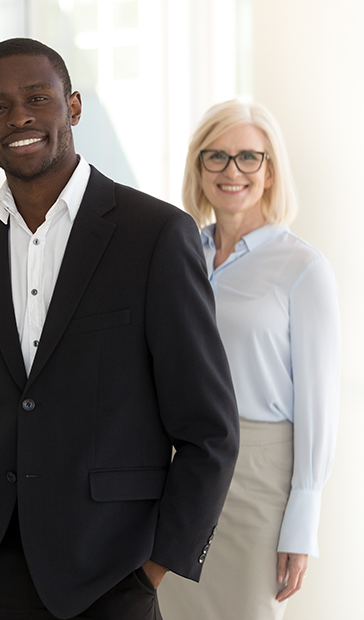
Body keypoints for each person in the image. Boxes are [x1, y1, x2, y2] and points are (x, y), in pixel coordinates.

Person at [0, 38, 241, 620]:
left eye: (37, 98)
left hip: (110, 571)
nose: (20, 117)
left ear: (73, 107)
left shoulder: (155, 235)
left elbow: (209, 430)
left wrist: (154, 565)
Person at [158, 100, 340, 619]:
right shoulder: (180, 253)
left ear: (271, 170)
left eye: (248, 158)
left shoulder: (303, 269)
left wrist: (303, 520)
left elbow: (318, 405)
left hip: (258, 477)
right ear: (198, 167)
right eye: (215, 157)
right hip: (178, 469)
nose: (231, 171)